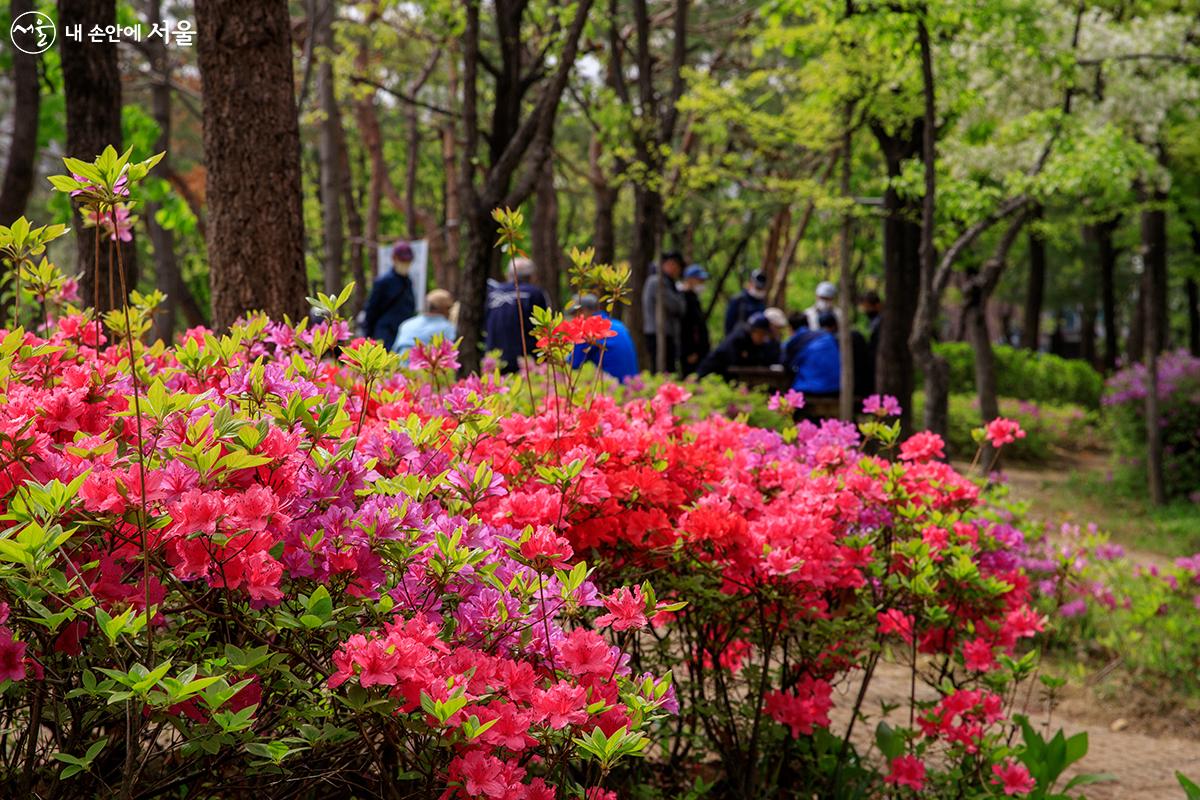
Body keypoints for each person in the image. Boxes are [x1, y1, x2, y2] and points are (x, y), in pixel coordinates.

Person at [485, 257, 549, 374]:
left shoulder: (492, 293)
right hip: (526, 363)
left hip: (494, 360)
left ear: (508, 274)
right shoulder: (535, 293)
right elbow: (544, 328)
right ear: (532, 276)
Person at [568, 294, 639, 382]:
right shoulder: (618, 324)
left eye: (575, 314)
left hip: (614, 387)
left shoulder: (588, 330)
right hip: (633, 384)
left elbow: (573, 363)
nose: (573, 318)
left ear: (584, 311)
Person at [362, 241, 417, 347]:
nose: (405, 264)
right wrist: (368, 335)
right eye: (403, 260)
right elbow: (371, 310)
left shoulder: (408, 281)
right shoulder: (383, 281)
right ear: (394, 259)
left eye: (408, 261)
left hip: (404, 333)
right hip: (385, 334)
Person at [697, 312, 778, 380]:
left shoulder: (759, 344)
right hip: (711, 371)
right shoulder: (738, 339)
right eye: (761, 334)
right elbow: (736, 361)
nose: (763, 338)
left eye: (765, 334)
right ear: (753, 331)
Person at [641, 252, 687, 373]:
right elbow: (676, 306)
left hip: (666, 333)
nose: (676, 269)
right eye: (674, 265)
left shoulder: (668, 283)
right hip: (658, 333)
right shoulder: (657, 281)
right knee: (662, 370)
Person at [786, 311, 840, 396]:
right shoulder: (826, 336)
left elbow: (787, 365)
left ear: (790, 328)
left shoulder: (796, 341)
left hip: (813, 389)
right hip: (837, 387)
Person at [393, 289, 456, 358]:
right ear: (446, 308)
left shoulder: (406, 324)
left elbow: (395, 351)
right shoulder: (447, 328)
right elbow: (450, 356)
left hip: (400, 366)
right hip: (428, 367)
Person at [679, 264, 711, 376]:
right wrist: (689, 351)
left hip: (699, 352)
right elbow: (686, 327)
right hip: (691, 353)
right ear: (690, 280)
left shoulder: (694, 298)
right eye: (700, 280)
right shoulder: (684, 299)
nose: (702, 284)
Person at [724, 270, 768, 336]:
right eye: (757, 288)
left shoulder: (762, 303)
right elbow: (728, 325)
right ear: (750, 283)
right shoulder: (738, 300)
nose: (759, 290)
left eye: (761, 288)